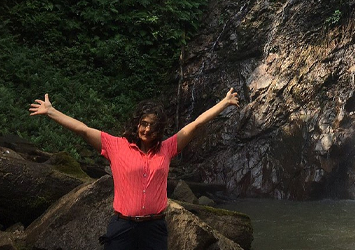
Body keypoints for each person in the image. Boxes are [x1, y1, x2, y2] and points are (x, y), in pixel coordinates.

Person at [29, 88, 239, 250]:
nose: (147, 129)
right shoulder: (116, 146)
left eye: (153, 126)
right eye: (144, 124)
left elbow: (195, 125)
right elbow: (83, 130)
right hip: (123, 227)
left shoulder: (167, 148)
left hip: (154, 228)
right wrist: (51, 111)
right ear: (137, 124)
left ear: (159, 130)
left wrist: (224, 103)